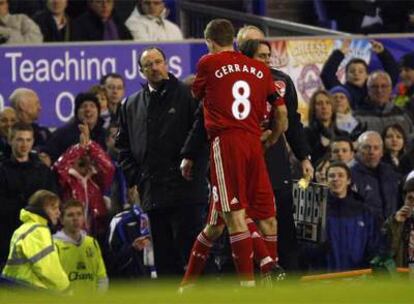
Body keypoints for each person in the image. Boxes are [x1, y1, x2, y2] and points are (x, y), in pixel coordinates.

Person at [181, 19, 287, 288]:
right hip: (255, 143)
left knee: (233, 215)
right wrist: (271, 138)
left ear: (210, 41)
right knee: (254, 218)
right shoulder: (260, 70)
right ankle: (268, 275)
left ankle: (249, 287)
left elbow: (197, 94)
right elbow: (282, 113)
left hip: (226, 144)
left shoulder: (208, 62)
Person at [116, 46, 209, 277]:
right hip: (153, 194)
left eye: (158, 62)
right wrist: (136, 179)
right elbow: (123, 147)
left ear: (166, 64)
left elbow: (202, 138)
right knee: (165, 261)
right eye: (149, 65)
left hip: (186, 191)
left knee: (193, 258)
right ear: (141, 70)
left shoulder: (189, 95)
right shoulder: (130, 105)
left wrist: (195, 171)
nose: (155, 67)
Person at [236, 25, 314, 271]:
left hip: (275, 163)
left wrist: (304, 157)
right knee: (241, 223)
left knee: (282, 222)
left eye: (264, 48)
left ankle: (287, 278)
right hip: (241, 161)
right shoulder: (230, 81)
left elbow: (292, 121)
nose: (264, 55)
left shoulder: (281, 80)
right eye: (253, 46)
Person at [0, 123, 57, 266]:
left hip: (38, 236)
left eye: (28, 140)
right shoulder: (2, 170)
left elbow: (52, 200)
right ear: (10, 140)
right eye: (19, 139)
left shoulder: (43, 171)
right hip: (7, 236)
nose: (24, 144)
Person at [52, 122, 115, 239]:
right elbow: (59, 168)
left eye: (87, 153)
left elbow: (109, 167)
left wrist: (90, 144)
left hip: (96, 234)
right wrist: (79, 148)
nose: (84, 157)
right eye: (80, 154)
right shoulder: (66, 179)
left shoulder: (96, 179)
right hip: (69, 235)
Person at [1, 190, 69, 292]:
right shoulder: (38, 231)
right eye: (54, 208)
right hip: (30, 290)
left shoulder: (24, 228)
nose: (58, 213)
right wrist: (66, 288)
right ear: (41, 209)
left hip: (16, 289)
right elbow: (48, 269)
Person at [324, 162, 379, 271]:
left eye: (340, 175)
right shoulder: (318, 211)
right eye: (331, 176)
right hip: (324, 277)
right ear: (326, 181)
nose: (336, 179)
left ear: (348, 180)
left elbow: (373, 244)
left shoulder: (363, 211)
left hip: (357, 278)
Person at [320, 40, 398, 109]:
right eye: (352, 71)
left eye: (361, 71)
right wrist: (339, 53)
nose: (356, 74)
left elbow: (392, 75)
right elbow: (327, 75)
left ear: (367, 75)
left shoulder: (375, 89)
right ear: (346, 76)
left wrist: (383, 53)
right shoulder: (342, 92)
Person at [54, 199, 108, 292]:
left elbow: (102, 277)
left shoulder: (92, 243)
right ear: (62, 220)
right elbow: (53, 280)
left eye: (79, 214)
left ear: (84, 218)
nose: (75, 218)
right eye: (70, 215)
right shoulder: (54, 245)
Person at [351, 131, 401, 224]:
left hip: (391, 231)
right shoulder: (349, 175)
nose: (372, 152)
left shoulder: (390, 173)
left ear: (382, 152)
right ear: (357, 151)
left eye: (376, 148)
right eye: (366, 147)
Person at [44, 92, 106, 163]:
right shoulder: (62, 134)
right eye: (83, 106)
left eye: (92, 106)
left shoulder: (105, 134)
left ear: (98, 111)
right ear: (77, 112)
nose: (88, 110)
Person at [355, 71, 414, 138]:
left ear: (390, 89)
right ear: (368, 90)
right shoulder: (357, 116)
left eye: (384, 86)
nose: (379, 90)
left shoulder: (404, 114)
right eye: (374, 87)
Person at [305, 89, 348, 165]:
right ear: (313, 109)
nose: (324, 107)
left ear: (332, 108)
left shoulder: (343, 135)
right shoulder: (306, 133)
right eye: (319, 103)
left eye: (328, 103)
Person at [381, 177, 414, 267]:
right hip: (403, 277)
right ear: (404, 200)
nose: (413, 203)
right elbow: (386, 255)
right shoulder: (393, 221)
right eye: (410, 198)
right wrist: (396, 224)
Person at [9, 88, 51, 152]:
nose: (40, 108)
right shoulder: (7, 132)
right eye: (36, 103)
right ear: (22, 105)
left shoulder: (43, 133)